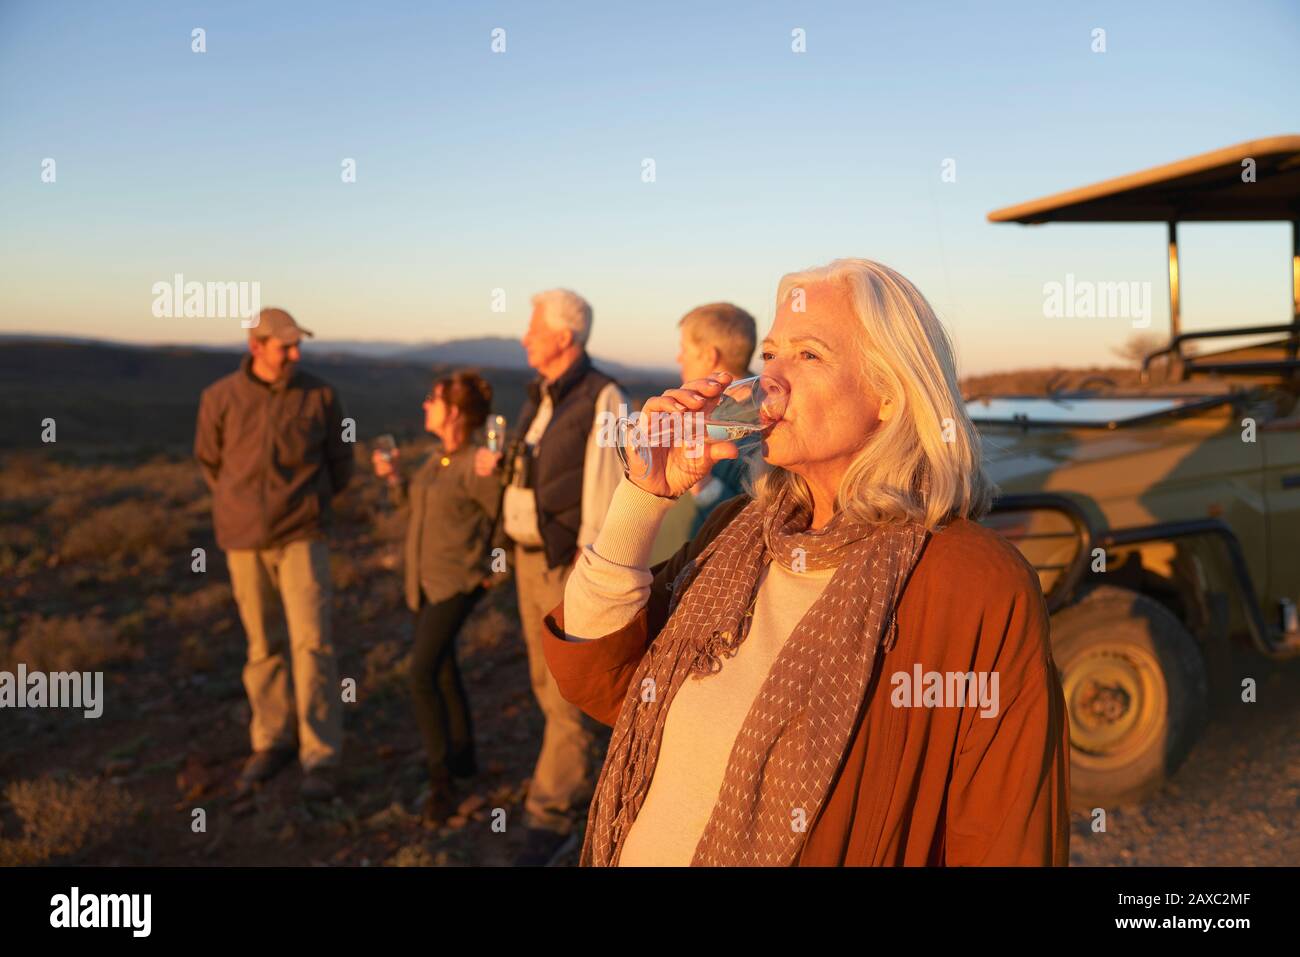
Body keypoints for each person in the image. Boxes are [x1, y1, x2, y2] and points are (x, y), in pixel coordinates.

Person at [542, 259, 1071, 866]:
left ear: (889, 394)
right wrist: (642, 496)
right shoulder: (737, 532)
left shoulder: (971, 583)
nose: (770, 381)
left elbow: (1005, 838)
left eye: (808, 355)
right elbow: (600, 678)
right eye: (769, 355)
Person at [477, 288, 626, 866]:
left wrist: (589, 572)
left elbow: (607, 489)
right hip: (531, 561)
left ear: (565, 337)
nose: (525, 337)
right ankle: (570, 791)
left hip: (568, 565)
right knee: (545, 684)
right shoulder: (540, 396)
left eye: (534, 328)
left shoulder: (604, 397)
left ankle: (554, 816)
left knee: (566, 691)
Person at [194, 307, 353, 802]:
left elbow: (340, 462)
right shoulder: (219, 398)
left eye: (296, 345)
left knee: (312, 644)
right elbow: (210, 460)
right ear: (256, 346)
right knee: (262, 646)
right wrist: (239, 510)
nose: (295, 354)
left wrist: (311, 506)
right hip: (243, 539)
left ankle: (320, 753)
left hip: (303, 535)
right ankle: (271, 740)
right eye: (285, 346)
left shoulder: (320, 395)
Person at [372, 371, 501, 825]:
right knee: (443, 670)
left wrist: (492, 574)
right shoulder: (435, 459)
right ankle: (464, 762)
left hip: (456, 584)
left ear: (454, 412)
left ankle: (440, 781)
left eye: (433, 399)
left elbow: (499, 519)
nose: (425, 404)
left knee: (420, 673)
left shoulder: (475, 464)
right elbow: (413, 511)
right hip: (423, 585)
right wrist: (393, 481)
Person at [649, 302, 759, 564]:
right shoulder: (698, 410)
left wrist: (703, 483)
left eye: (685, 349)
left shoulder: (759, 425)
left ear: (710, 356)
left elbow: (754, 521)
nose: (679, 357)